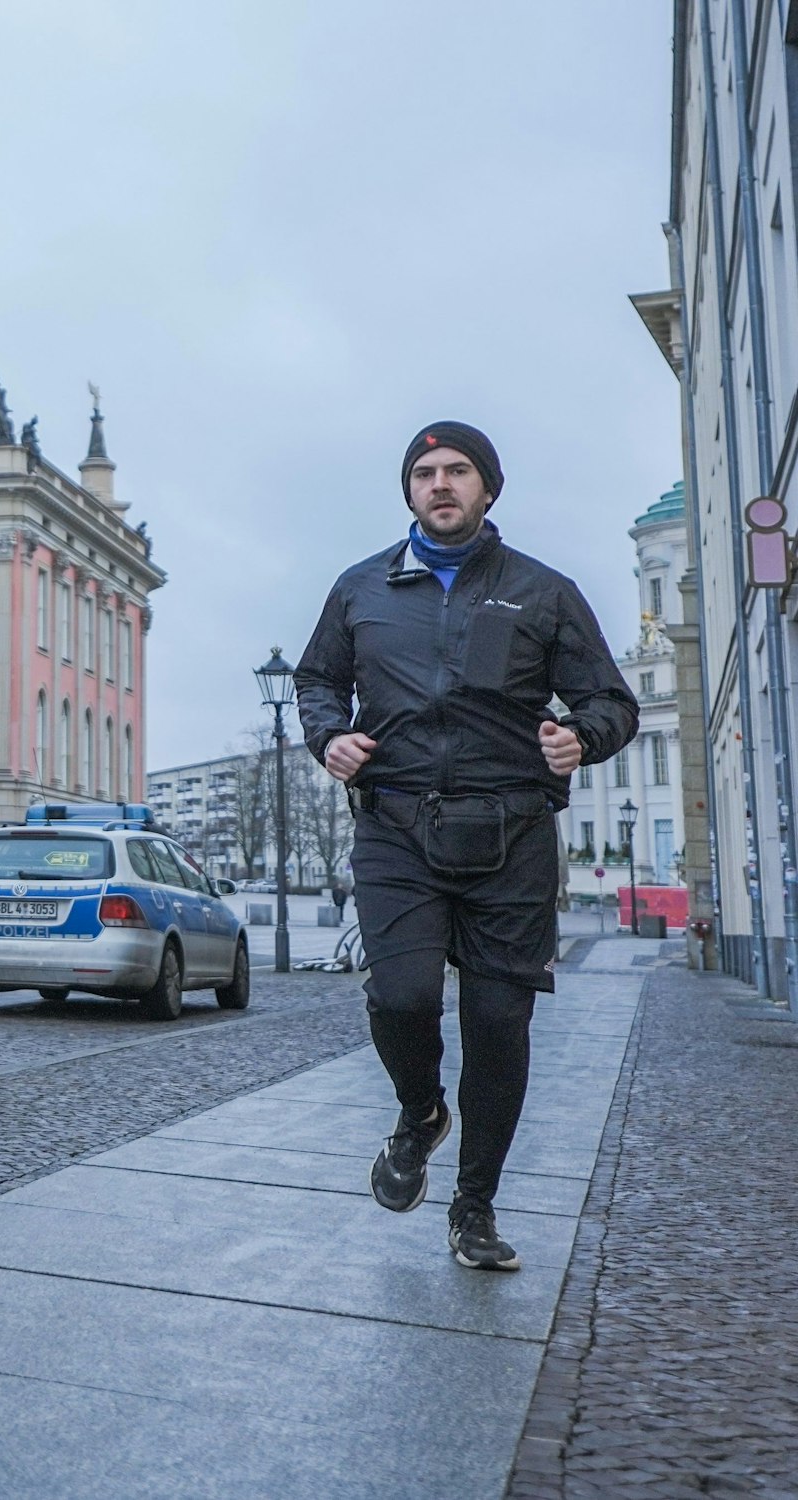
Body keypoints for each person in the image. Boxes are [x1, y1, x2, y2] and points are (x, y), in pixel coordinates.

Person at [296, 420, 636, 1273]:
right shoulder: (359, 589)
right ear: (409, 491)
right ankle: (419, 1114)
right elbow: (315, 681)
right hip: (396, 826)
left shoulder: (543, 592)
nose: (439, 484)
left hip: (511, 832)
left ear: (488, 489)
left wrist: (580, 738)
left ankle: (474, 1206)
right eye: (423, 473)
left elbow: (613, 703)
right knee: (403, 996)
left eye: (457, 471)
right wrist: (329, 736)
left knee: (497, 1024)